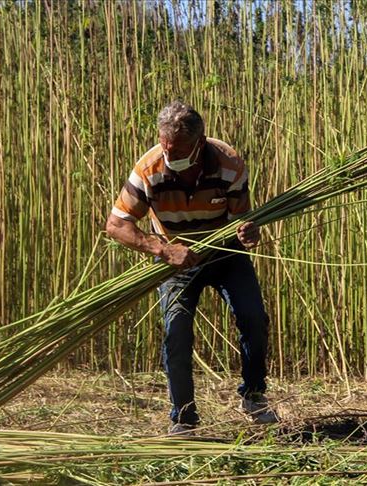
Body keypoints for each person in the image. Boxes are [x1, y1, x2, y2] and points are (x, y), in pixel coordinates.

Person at [105, 101, 277, 434]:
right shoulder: (148, 170)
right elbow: (116, 225)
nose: (171, 155)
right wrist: (162, 249)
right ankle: (184, 418)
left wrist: (247, 230)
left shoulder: (228, 163)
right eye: (166, 146)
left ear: (199, 143)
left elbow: (242, 217)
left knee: (254, 317)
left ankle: (254, 395)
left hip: (224, 253)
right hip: (175, 260)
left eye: (179, 150)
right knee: (176, 333)